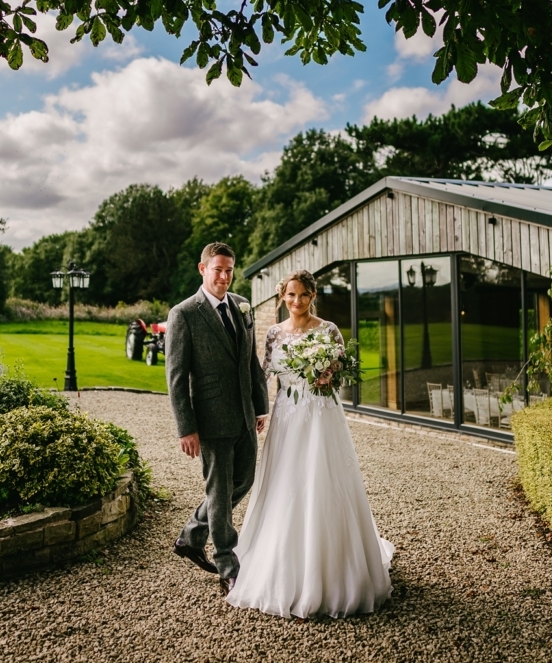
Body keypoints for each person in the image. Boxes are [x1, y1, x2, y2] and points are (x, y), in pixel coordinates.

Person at [227, 269, 393, 618]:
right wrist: (257, 411)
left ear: (313, 296)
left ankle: (335, 567)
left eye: (303, 294)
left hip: (321, 416)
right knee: (286, 483)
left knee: (323, 480)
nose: (297, 301)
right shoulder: (273, 333)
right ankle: (281, 562)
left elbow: (342, 371)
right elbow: (264, 375)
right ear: (282, 296)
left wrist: (327, 373)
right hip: (287, 416)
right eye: (291, 294)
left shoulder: (328, 330)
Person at [166, 242, 269, 594]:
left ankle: (191, 537)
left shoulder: (242, 305)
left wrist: (260, 406)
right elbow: (176, 377)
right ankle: (227, 565)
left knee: (244, 480)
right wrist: (187, 428)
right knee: (220, 491)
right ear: (202, 269)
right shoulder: (184, 314)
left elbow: (250, 361)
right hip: (211, 421)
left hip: (245, 416)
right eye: (218, 270)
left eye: (229, 271)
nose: (224, 277)